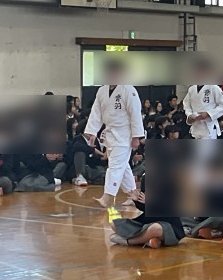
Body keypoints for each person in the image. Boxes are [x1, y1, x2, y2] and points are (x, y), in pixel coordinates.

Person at [85, 59, 144, 208]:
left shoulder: (128, 89)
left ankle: (108, 196)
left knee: (115, 166)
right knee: (123, 166)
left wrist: (136, 136)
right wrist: (92, 132)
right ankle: (134, 196)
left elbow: (135, 113)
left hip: (124, 134)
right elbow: (96, 112)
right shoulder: (102, 91)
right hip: (110, 133)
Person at [109, 177, 185, 248]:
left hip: (168, 223)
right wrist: (137, 200)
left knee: (155, 228)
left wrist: (152, 202)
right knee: (115, 224)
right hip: (147, 221)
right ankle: (150, 240)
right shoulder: (145, 178)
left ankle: (129, 242)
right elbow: (145, 208)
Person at [183, 67, 223, 140]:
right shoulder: (191, 89)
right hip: (195, 126)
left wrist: (208, 114)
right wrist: (189, 115)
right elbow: (186, 105)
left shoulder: (214, 87)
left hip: (209, 126)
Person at [72, 120, 107, 187]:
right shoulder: (78, 139)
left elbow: (97, 158)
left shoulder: (95, 140)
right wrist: (92, 149)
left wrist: (100, 157)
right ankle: (80, 176)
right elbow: (77, 147)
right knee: (80, 153)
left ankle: (91, 179)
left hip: (92, 166)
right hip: (80, 167)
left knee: (101, 172)